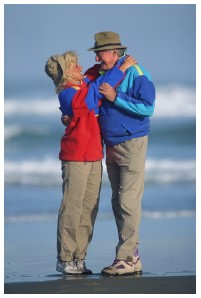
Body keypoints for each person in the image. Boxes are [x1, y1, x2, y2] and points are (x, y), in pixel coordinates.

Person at [45, 50, 135, 275]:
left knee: (88, 210)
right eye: (74, 66)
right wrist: (120, 71)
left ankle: (79, 257)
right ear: (66, 74)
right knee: (71, 208)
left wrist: (113, 60)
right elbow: (94, 93)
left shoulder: (83, 83)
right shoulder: (67, 94)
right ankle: (65, 258)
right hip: (75, 157)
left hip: (95, 157)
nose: (79, 68)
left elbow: (94, 74)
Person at [87, 31, 156, 276]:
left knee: (127, 201)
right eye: (96, 52)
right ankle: (130, 256)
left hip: (132, 142)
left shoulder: (136, 73)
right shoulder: (103, 73)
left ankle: (127, 257)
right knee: (118, 202)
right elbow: (90, 99)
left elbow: (148, 108)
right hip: (112, 145)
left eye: (101, 52)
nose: (97, 56)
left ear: (115, 52)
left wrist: (116, 97)